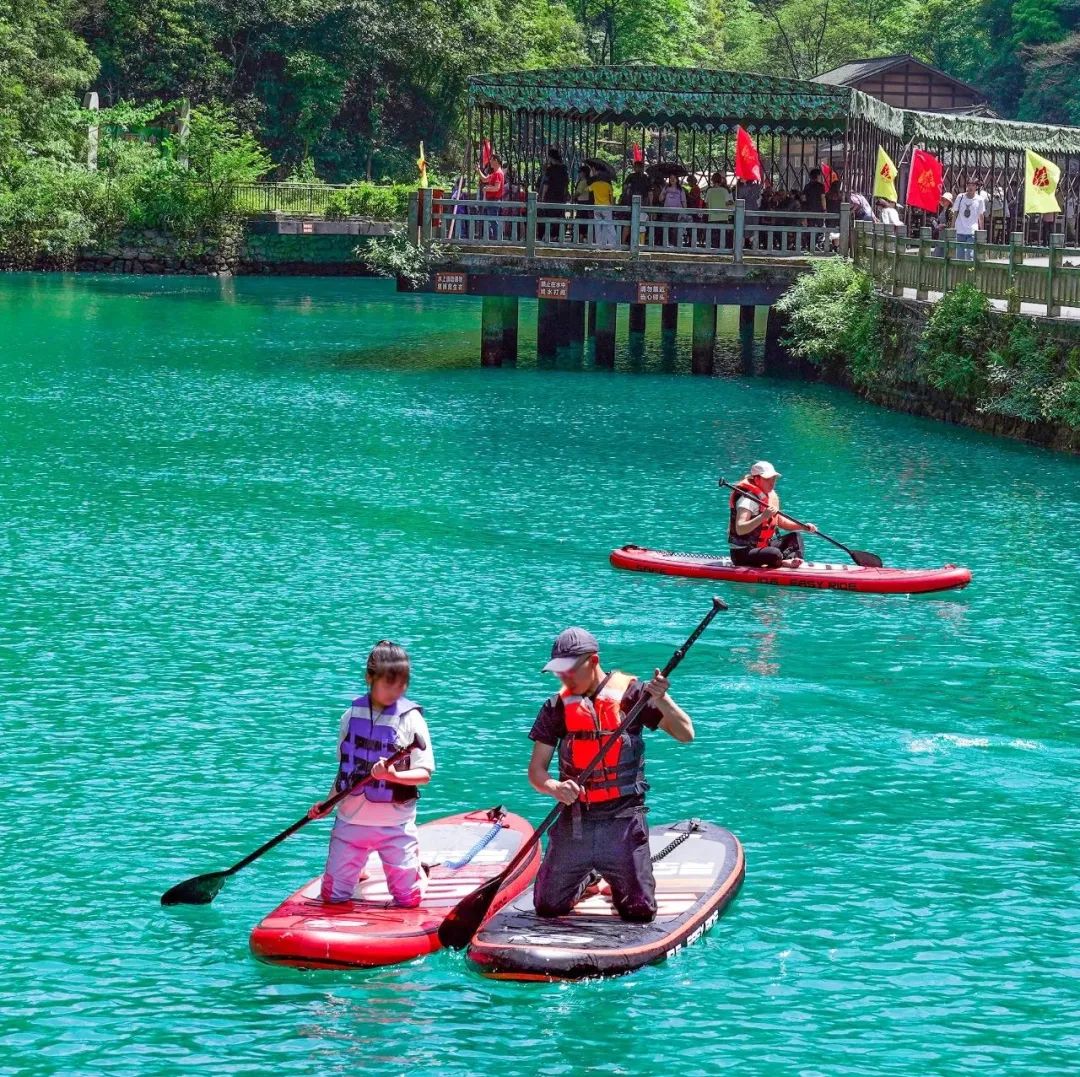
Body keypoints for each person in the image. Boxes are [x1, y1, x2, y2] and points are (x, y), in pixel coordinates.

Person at [527, 627, 694, 922]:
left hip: (623, 822)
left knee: (639, 912)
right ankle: (588, 878)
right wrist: (554, 787)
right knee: (548, 906)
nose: (563, 678)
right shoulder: (555, 707)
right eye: (558, 672)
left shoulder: (633, 696)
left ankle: (613, 874)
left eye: (568, 671)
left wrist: (662, 699)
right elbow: (537, 771)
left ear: (593, 661)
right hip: (575, 821)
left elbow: (685, 734)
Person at [310, 640, 435, 906]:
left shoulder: (411, 719)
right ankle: (355, 868)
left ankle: (418, 872)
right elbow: (344, 769)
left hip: (395, 825)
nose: (396, 690)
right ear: (370, 678)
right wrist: (327, 804)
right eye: (389, 683)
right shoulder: (350, 715)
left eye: (402, 684)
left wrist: (392, 776)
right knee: (333, 898)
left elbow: (424, 773)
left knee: (408, 900)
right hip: (351, 822)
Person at [728, 461, 818, 569]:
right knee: (774, 554)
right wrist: (762, 517)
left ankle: (792, 560)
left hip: (761, 547)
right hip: (742, 553)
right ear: (757, 479)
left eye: (773, 479)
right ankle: (783, 562)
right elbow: (740, 529)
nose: (772, 483)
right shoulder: (747, 500)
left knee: (795, 537)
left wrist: (803, 527)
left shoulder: (769, 496)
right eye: (767, 479)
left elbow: (781, 522)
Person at [537, 146, 569, 244]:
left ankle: (546, 235)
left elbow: (546, 184)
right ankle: (556, 235)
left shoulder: (550, 170)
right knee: (559, 216)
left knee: (547, 216)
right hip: (560, 197)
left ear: (550, 157)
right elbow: (566, 185)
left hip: (550, 197)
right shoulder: (564, 170)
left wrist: (542, 196)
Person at [619, 160, 651, 244]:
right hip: (634, 202)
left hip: (636, 202)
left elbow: (625, 188)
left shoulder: (643, 177)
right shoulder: (638, 177)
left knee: (633, 224)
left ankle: (631, 242)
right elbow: (650, 193)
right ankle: (632, 243)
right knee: (632, 224)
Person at [953, 177, 985, 261]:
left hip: (972, 231)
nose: (970, 187)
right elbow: (955, 212)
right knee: (959, 256)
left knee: (970, 255)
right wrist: (952, 227)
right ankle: (960, 273)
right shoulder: (960, 197)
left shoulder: (980, 199)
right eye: (969, 185)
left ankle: (969, 272)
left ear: (976, 187)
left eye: (973, 185)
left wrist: (981, 231)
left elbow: (980, 216)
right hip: (960, 230)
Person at [478, 153, 506, 241]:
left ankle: (497, 239)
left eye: (491, 160)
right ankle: (493, 238)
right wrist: (478, 170)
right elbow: (485, 179)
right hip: (491, 200)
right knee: (490, 220)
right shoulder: (495, 173)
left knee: (493, 220)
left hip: (494, 200)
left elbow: (496, 188)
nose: (490, 162)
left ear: (496, 161)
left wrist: (487, 188)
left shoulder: (498, 173)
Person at [588, 168, 617, 248]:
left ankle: (599, 244)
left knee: (598, 226)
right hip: (607, 206)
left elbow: (588, 189)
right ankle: (612, 244)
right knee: (609, 225)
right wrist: (612, 205)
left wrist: (592, 175)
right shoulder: (608, 186)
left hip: (597, 206)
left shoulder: (594, 184)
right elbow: (611, 197)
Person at [705, 172, 732, 249]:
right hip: (723, 217)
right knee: (722, 237)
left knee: (713, 237)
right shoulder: (724, 191)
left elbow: (706, 203)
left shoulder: (709, 191)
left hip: (712, 217)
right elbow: (727, 202)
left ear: (712, 180)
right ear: (721, 180)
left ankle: (714, 251)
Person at [573, 164, 592, 243]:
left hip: (582, 202)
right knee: (586, 220)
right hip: (587, 202)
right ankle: (585, 237)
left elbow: (578, 192)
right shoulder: (590, 181)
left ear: (583, 173)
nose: (579, 174)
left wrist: (572, 198)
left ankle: (580, 238)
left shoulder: (583, 182)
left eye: (580, 172)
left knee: (580, 220)